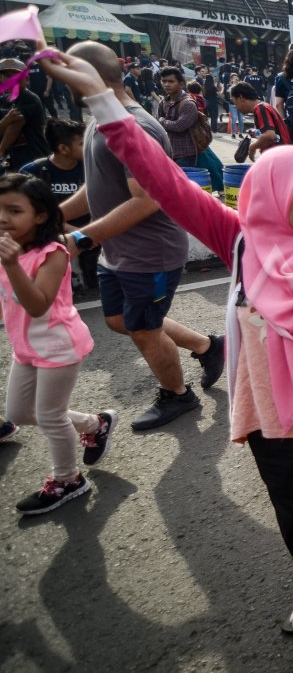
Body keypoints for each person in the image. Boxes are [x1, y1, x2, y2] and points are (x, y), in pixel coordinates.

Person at [43, 44, 293, 665]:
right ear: (270, 193)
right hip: (276, 422)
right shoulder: (241, 242)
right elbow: (166, 184)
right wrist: (101, 101)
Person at [54, 43, 224, 431]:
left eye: (68, 75)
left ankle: (178, 395)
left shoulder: (137, 127)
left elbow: (146, 199)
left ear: (91, 77)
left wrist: (81, 237)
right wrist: (54, 215)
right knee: (120, 320)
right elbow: (98, 182)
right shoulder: (100, 119)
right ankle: (207, 346)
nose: (64, 85)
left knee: (144, 328)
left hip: (150, 253)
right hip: (118, 251)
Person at [0, 173, 115, 515]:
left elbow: (37, 305)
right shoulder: (9, 248)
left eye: (14, 210)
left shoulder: (53, 254)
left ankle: (68, 480)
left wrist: (11, 264)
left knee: (50, 417)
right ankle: (94, 424)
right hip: (26, 345)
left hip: (58, 346)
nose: (3, 218)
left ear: (40, 215)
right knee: (19, 413)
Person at [20, 119, 99, 287]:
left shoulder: (92, 166)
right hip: (53, 233)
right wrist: (73, 231)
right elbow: (27, 214)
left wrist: (93, 229)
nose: (89, 146)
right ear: (63, 148)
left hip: (92, 234)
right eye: (82, 143)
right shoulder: (33, 172)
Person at [0, 58, 50, 173]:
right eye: (7, 76)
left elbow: (14, 128)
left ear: (26, 79)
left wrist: (0, 151)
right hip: (12, 156)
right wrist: (7, 120)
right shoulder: (3, 100)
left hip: (31, 156)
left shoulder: (28, 98)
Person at [230, 83, 290, 162]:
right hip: (281, 155)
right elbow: (273, 135)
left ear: (241, 98)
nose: (236, 107)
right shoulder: (264, 106)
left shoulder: (261, 109)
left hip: (278, 158)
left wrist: (253, 147)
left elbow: (270, 135)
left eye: (235, 103)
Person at [156, 67, 201, 166]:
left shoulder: (188, 104)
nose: (166, 84)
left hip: (186, 155)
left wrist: (162, 121)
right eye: (164, 81)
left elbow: (179, 126)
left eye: (171, 81)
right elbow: (157, 125)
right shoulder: (163, 102)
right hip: (168, 153)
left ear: (181, 84)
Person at [197, 64, 222, 132]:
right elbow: (219, 94)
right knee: (214, 117)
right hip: (213, 103)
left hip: (206, 103)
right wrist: (222, 88)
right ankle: (213, 130)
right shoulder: (213, 87)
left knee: (207, 117)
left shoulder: (204, 87)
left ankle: (207, 129)